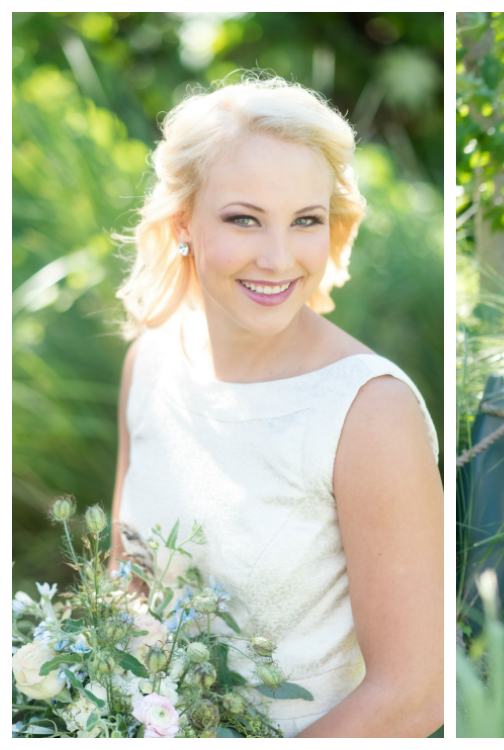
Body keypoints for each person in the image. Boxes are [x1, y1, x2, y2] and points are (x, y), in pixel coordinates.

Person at [107, 70, 443, 737]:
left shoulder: (369, 413)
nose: (278, 257)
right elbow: (126, 581)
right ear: (183, 225)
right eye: (243, 219)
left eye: (305, 221)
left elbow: (414, 694)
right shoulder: (148, 361)